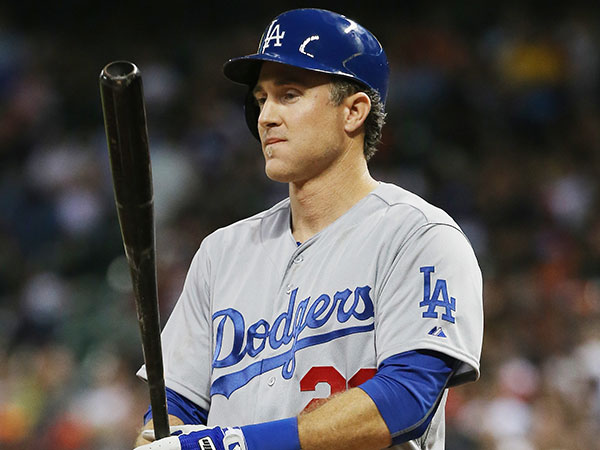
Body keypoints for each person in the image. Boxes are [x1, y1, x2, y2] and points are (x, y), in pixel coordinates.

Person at [134, 8, 483, 450]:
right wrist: (160, 439)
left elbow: (406, 398)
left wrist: (227, 446)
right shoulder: (221, 253)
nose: (265, 117)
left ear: (354, 111)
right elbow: (171, 405)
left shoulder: (418, 237)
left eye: (290, 94)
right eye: (261, 99)